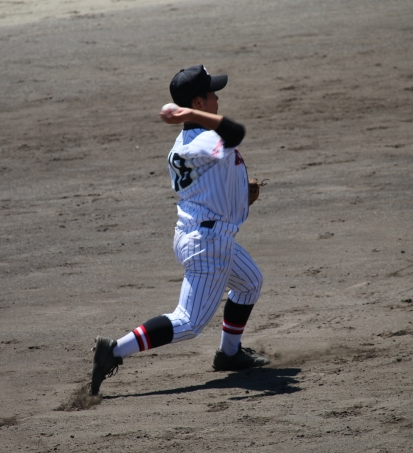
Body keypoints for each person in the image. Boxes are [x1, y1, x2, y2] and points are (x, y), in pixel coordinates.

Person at [89, 64, 269, 396]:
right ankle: (113, 350)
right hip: (208, 243)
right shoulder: (205, 139)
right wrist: (196, 116)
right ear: (198, 103)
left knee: (249, 282)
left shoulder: (185, 142)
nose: (217, 98)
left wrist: (240, 194)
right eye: (212, 94)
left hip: (199, 233)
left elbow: (210, 184)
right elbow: (235, 133)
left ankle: (229, 354)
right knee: (187, 322)